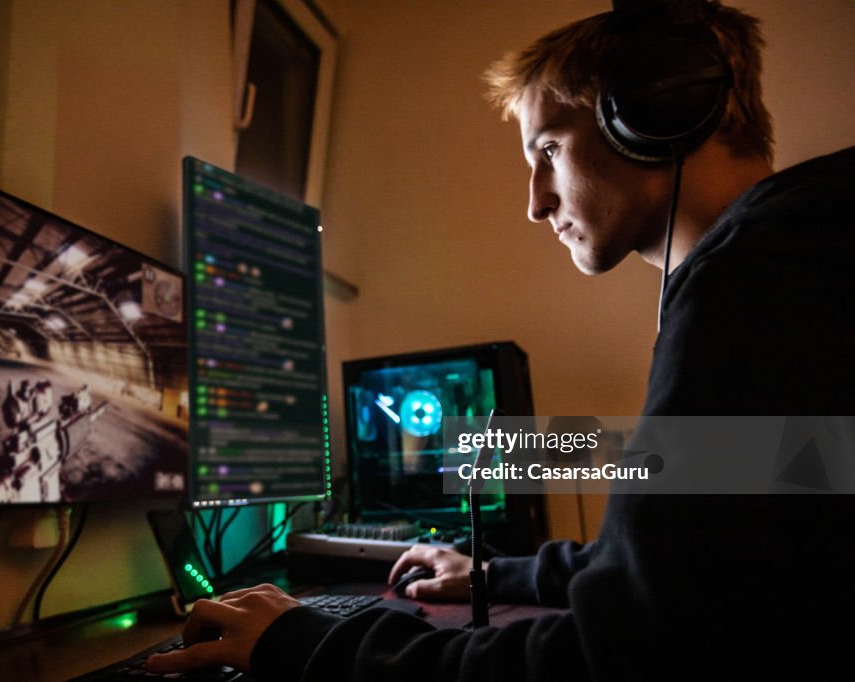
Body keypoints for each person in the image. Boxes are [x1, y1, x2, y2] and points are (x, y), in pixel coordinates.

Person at [148, 1, 855, 679]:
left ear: (654, 110)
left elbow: (622, 657)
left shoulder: (761, 282)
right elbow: (699, 562)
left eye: (548, 148)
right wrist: (495, 572)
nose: (535, 201)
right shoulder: (796, 264)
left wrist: (308, 644)